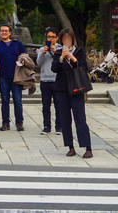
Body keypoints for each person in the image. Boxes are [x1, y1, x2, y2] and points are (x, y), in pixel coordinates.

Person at [52, 28, 94, 158]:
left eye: (68, 38)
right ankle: (70, 147)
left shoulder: (79, 51)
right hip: (62, 89)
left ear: (72, 39)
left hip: (76, 88)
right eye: (64, 39)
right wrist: (62, 58)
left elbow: (84, 66)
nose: (67, 41)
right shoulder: (58, 52)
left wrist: (73, 58)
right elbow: (54, 69)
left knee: (80, 118)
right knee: (65, 119)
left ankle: (87, 147)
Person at [0, 24, 26, 131]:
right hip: (3, 76)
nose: (4, 32)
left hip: (16, 77)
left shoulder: (17, 44)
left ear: (10, 33)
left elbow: (25, 55)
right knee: (5, 100)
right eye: (2, 31)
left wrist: (23, 59)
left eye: (6, 31)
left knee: (17, 100)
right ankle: (5, 123)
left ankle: (19, 122)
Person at [36, 27, 63, 136]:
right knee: (45, 106)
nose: (50, 39)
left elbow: (62, 62)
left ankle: (59, 126)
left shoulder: (61, 49)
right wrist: (43, 52)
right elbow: (38, 63)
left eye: (52, 37)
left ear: (57, 38)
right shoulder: (42, 49)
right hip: (45, 80)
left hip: (57, 80)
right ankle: (46, 126)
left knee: (59, 105)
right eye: (48, 37)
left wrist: (55, 51)